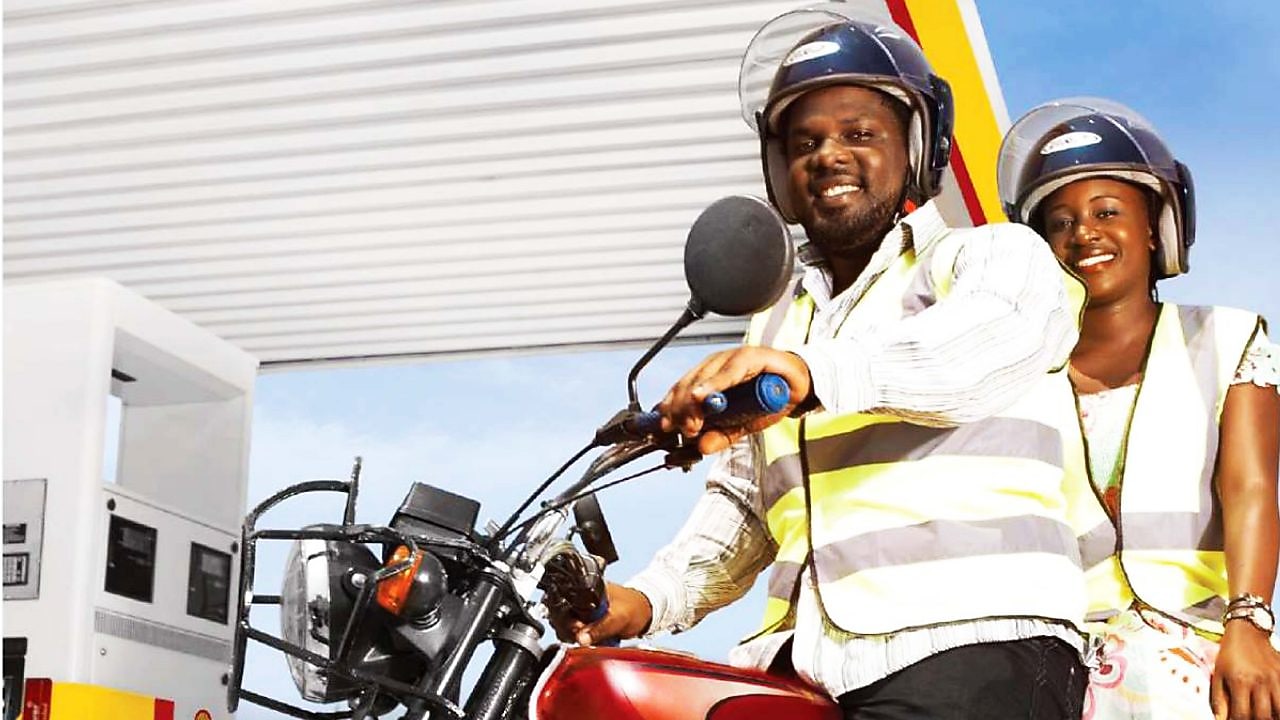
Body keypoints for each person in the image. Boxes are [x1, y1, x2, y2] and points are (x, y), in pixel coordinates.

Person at [553, 6, 1091, 719]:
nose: (829, 155)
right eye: (805, 142)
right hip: (807, 667)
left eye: (860, 133)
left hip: (975, 648)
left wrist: (806, 374)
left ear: (915, 145)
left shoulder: (993, 257)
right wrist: (646, 599)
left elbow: (977, 349)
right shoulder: (779, 323)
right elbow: (746, 504)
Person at [997, 97, 1280, 720]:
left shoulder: (1228, 339)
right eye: (1060, 223)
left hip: (1201, 655)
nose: (1083, 233)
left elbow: (1251, 488)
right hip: (1057, 667)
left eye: (1107, 212)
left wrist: (1251, 622)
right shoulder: (1017, 374)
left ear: (1155, 227)